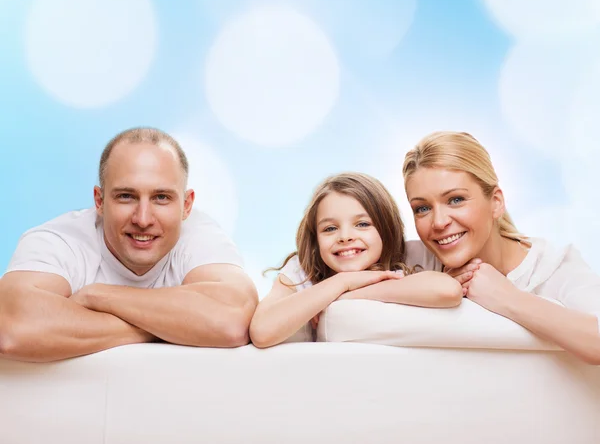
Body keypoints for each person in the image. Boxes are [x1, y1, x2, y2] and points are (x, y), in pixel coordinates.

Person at [0, 127, 258, 362]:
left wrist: (99, 296)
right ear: (99, 201)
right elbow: (12, 329)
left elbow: (232, 322)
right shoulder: (59, 240)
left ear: (186, 205)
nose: (143, 219)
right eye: (126, 196)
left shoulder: (200, 236)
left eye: (161, 197)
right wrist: (175, 327)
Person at [403, 131, 600, 365]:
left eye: (456, 200)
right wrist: (436, 287)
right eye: (422, 208)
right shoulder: (414, 259)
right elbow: (349, 282)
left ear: (496, 202)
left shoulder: (552, 267)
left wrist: (506, 297)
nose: (438, 222)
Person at [249, 172, 463, 348]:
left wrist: (349, 295)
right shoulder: (303, 270)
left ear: (386, 227)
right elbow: (261, 331)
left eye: (362, 224)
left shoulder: (413, 254)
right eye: (330, 228)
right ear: (316, 238)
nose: (345, 236)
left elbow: (448, 290)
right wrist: (341, 282)